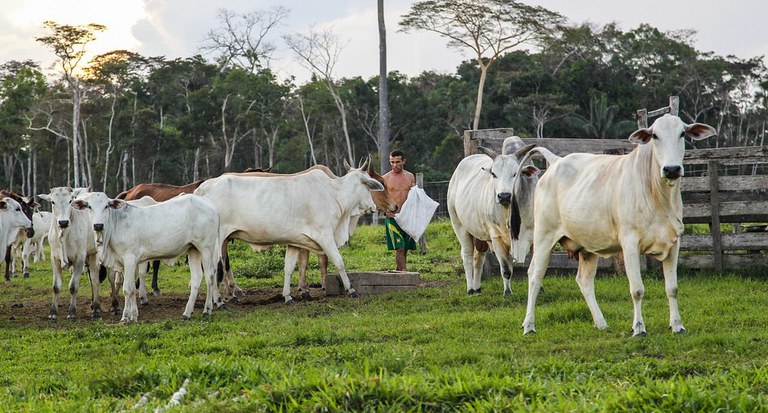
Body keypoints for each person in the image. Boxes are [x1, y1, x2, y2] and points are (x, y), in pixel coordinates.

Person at [382, 149, 417, 271]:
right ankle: (404, 274)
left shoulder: (410, 177)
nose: (395, 165)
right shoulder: (385, 178)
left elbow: (414, 196)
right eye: (392, 162)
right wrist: (385, 212)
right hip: (393, 218)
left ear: (404, 161)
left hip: (407, 218)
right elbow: (379, 198)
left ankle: (398, 271)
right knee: (399, 247)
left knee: (405, 248)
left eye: (397, 162)